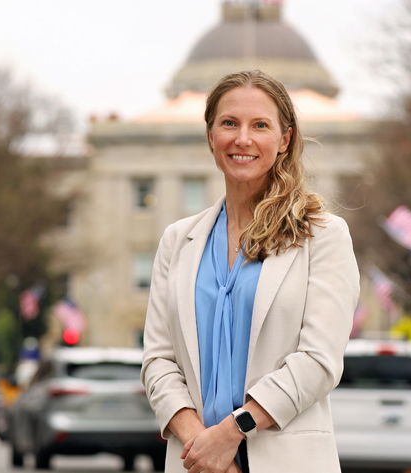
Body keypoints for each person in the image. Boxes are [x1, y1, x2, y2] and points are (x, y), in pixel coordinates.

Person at [140, 70, 359, 473]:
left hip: (286, 460)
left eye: (260, 125)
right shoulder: (177, 240)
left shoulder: (323, 236)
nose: (243, 139)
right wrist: (202, 446)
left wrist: (232, 432)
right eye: (229, 123)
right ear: (210, 136)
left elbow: (318, 361)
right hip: (197, 463)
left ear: (284, 139)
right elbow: (158, 361)